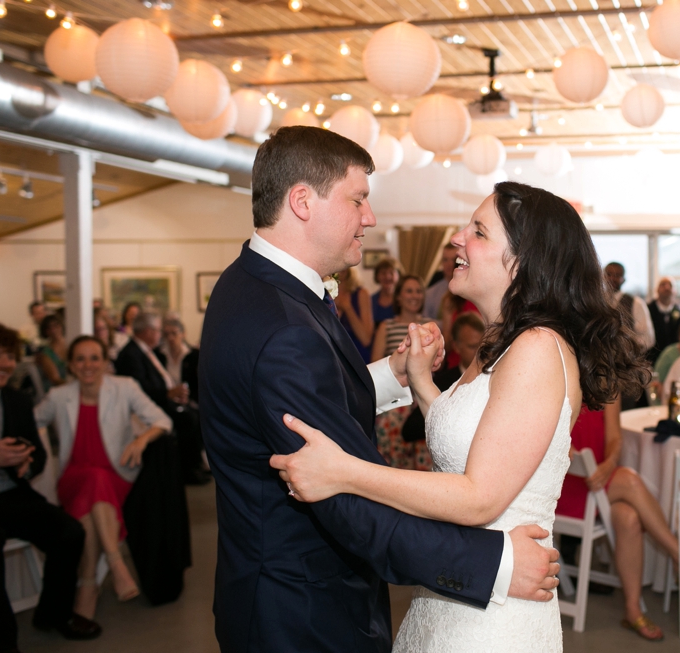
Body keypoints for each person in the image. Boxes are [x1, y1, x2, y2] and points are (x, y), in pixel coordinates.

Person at [199, 126, 562, 653]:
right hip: (301, 610)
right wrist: (495, 564)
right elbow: (347, 504)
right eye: (358, 199)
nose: (369, 218)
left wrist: (395, 375)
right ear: (302, 202)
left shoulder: (250, 286)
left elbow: (306, 402)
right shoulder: (285, 327)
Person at [271, 178, 650, 652]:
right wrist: (421, 381)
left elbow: (479, 497)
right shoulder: (502, 341)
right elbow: (466, 443)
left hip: (495, 617)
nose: (457, 239)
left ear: (524, 261)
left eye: (479, 231)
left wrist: (345, 473)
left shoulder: (536, 349)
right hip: (459, 587)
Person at [0, 324, 102, 651]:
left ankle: (53, 614)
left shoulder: (17, 401)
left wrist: (25, 465)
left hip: (12, 497)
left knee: (70, 532)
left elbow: (39, 453)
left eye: (10, 356)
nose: (6, 364)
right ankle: (1, 642)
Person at [557, 402, 680, 642]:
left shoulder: (609, 381)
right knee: (630, 481)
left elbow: (615, 439)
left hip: (601, 480)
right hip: (568, 484)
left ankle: (633, 610)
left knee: (629, 517)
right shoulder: (563, 375)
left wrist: (608, 465)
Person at [35, 335, 172, 619]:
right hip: (73, 479)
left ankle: (87, 588)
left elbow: (163, 420)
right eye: (80, 359)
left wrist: (142, 439)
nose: (88, 365)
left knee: (94, 488)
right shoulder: (59, 396)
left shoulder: (124, 387)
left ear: (105, 362)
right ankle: (116, 563)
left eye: (95, 358)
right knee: (93, 482)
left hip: (117, 475)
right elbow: (28, 421)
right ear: (70, 366)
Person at [115, 312, 210, 485]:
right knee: (188, 419)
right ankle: (188, 469)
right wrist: (168, 393)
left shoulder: (143, 351)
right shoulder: (132, 354)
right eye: (159, 331)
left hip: (161, 400)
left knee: (194, 414)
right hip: (148, 406)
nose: (161, 336)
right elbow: (140, 389)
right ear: (148, 331)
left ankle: (195, 465)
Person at [373, 276, 433, 469]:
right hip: (394, 400)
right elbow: (376, 363)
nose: (414, 296)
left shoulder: (430, 326)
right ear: (398, 297)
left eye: (418, 291)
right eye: (409, 291)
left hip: (421, 398)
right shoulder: (386, 326)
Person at [401, 311, 485, 444]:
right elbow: (409, 430)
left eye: (484, 344)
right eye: (472, 346)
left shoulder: (499, 377)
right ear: (456, 347)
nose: (480, 351)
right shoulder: (443, 382)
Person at [604, 262, 656, 351]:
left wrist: (629, 349)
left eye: (617, 275)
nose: (612, 278)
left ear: (623, 279)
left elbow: (648, 338)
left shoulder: (636, 303)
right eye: (608, 274)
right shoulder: (596, 301)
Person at [335, 266, 375, 363]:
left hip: (357, 357)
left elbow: (366, 340)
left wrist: (348, 308)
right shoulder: (322, 294)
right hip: (333, 357)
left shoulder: (361, 294)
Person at [159, 316, 200, 403]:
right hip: (166, 402)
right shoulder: (159, 355)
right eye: (167, 334)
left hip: (190, 403)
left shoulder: (194, 355)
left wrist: (188, 398)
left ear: (183, 334)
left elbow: (198, 385)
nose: (170, 338)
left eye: (174, 333)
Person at [648, 276, 680, 363]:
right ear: (657, 290)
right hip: (651, 359)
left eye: (670, 285)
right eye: (663, 284)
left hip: (674, 360)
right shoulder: (648, 310)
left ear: (675, 291)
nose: (667, 287)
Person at [423, 242, 457, 319]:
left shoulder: (469, 290)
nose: (449, 264)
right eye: (445, 260)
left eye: (453, 259)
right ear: (441, 262)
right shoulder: (430, 294)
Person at [36, 313, 68, 391]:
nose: (53, 330)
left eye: (56, 325)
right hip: (57, 391)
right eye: (49, 328)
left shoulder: (71, 345)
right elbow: (55, 380)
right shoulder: (46, 354)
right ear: (45, 332)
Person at [370, 257, 399, 328]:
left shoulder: (403, 301)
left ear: (398, 275)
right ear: (377, 276)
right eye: (383, 273)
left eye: (391, 273)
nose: (387, 276)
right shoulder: (370, 301)